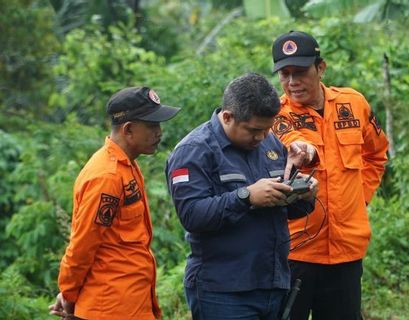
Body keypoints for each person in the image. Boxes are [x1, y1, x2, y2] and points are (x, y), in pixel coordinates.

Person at [165, 72, 319, 320]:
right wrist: (246, 197)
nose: (261, 137)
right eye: (254, 130)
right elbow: (192, 216)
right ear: (227, 117)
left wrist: (303, 194)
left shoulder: (268, 143)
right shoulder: (194, 151)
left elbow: (284, 210)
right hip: (224, 291)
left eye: (267, 129)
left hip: (273, 282)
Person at [271, 31, 389, 320]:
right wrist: (305, 151)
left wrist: (359, 199)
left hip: (346, 248)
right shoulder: (275, 114)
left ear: (320, 68)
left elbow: (376, 153)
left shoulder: (354, 104)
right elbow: (294, 140)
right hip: (295, 250)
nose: (292, 82)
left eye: (299, 72)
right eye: (284, 74)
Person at [48, 87, 181, 320]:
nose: (159, 132)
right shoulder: (106, 176)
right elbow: (82, 246)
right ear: (128, 130)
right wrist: (69, 294)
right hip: (109, 308)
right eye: (152, 126)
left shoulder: (126, 165)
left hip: (132, 303)